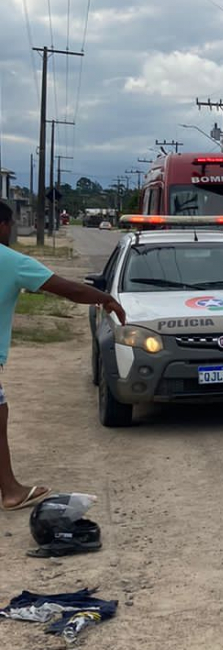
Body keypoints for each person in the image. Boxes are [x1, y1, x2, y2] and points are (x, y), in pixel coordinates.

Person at [0, 201, 125, 510]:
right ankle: (11, 491)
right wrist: (105, 299)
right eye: (11, 225)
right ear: (3, 226)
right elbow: (69, 290)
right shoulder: (11, 261)